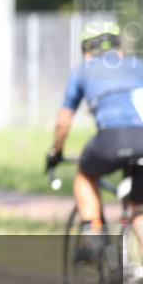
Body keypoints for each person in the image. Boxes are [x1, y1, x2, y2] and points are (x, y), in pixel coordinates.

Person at [47, 22, 143, 248]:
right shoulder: (138, 65)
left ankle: (93, 233)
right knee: (139, 206)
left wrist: (56, 151)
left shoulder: (83, 70)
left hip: (110, 139)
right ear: (120, 49)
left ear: (87, 53)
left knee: (85, 175)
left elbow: (63, 121)